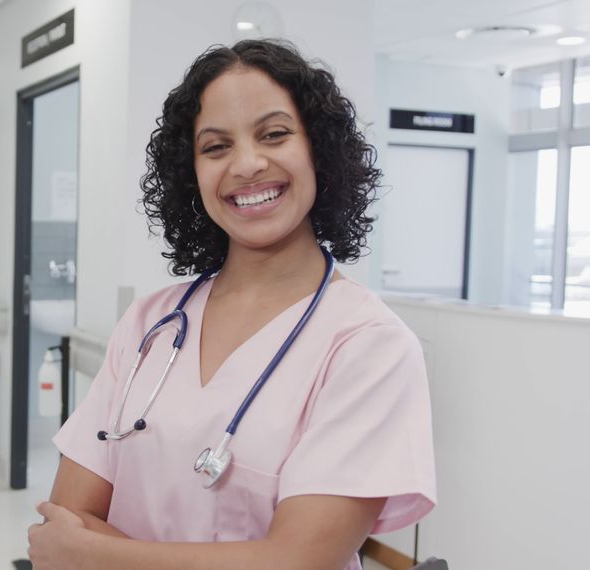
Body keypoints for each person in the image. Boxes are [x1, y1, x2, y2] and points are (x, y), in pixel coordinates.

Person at [27, 39, 436, 570]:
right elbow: (67, 519)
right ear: (191, 174)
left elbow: (298, 560)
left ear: (320, 149)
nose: (246, 164)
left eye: (275, 134)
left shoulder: (370, 346)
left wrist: (98, 556)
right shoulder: (150, 324)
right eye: (216, 147)